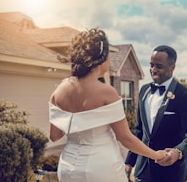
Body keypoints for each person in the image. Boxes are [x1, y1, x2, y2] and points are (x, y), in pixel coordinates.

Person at [49, 28, 167, 182]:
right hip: (101, 168)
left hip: (67, 168)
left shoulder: (59, 91)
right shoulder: (107, 93)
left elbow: (54, 136)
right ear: (102, 58)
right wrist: (157, 155)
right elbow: (126, 139)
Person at [125, 45, 187, 182]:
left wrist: (178, 152)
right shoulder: (144, 91)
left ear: (172, 67)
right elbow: (139, 131)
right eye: (151, 65)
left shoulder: (185, 95)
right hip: (142, 171)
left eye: (159, 66)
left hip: (171, 173)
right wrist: (129, 162)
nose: (153, 70)